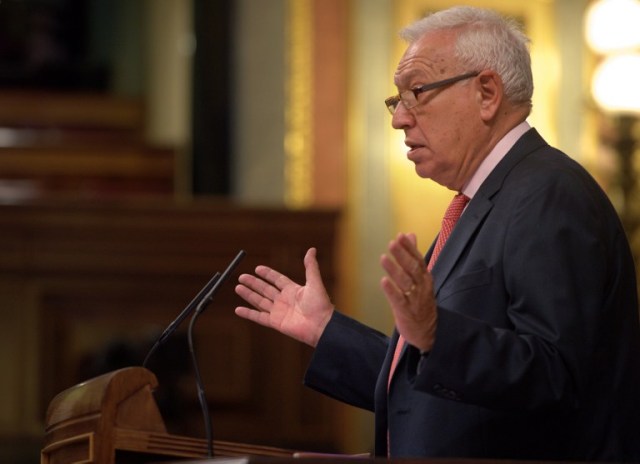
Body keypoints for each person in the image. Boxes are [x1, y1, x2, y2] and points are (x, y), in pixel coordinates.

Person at [234, 6, 640, 461]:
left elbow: (554, 376)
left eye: (417, 92)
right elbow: (435, 383)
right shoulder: (487, 198)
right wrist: (328, 331)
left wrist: (436, 331)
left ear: (487, 92)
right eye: (397, 100)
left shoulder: (548, 194)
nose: (399, 119)